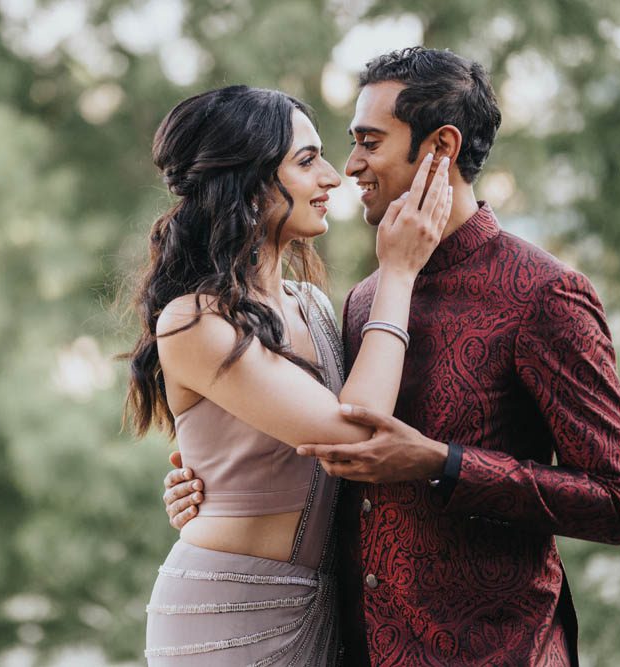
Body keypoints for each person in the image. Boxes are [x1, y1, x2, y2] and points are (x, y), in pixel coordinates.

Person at [163, 48, 620, 666]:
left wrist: (443, 465)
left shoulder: (542, 294)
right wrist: (203, 476)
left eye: (368, 142)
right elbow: (311, 434)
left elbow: (617, 501)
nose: (350, 167)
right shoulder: (365, 300)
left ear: (440, 148)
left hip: (494, 652)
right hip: (345, 646)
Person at [126, 84, 452, 665]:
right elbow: (355, 438)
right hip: (226, 614)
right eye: (306, 161)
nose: (332, 176)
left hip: (320, 606)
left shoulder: (314, 306)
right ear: (249, 184)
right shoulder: (195, 320)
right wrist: (397, 273)